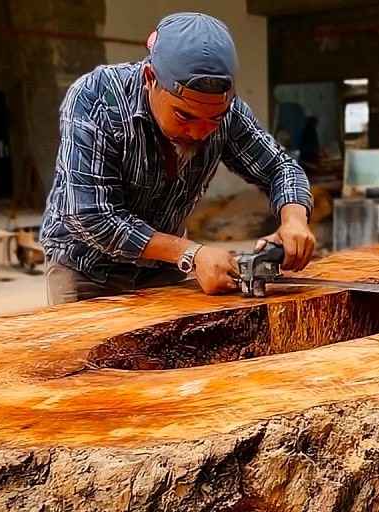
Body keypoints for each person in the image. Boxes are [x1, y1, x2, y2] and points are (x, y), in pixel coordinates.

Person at [39, 12, 316, 304]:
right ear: (150, 79)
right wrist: (190, 253)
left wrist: (294, 220)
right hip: (88, 269)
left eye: (214, 119)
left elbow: (280, 169)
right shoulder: (97, 99)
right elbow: (90, 215)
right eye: (184, 115)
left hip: (164, 269)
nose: (198, 132)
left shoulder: (229, 113)